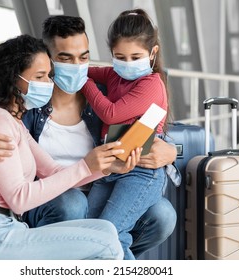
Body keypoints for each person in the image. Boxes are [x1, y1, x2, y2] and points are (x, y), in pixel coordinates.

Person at [0, 15, 178, 259]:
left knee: (162, 214)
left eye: (83, 57)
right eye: (66, 58)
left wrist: (172, 151)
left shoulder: (105, 95)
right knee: (73, 205)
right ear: (48, 60)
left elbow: (145, 127)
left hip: (96, 190)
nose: (78, 66)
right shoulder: (22, 107)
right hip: (44, 203)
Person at [80, 9, 170, 259]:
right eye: (120, 56)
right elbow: (87, 70)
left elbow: (111, 113)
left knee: (111, 234)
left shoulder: (152, 84)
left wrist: (84, 84)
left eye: (135, 56)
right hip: (110, 167)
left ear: (153, 53)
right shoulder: (114, 74)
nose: (127, 63)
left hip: (140, 171)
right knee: (90, 231)